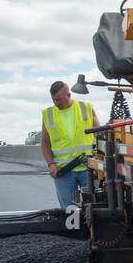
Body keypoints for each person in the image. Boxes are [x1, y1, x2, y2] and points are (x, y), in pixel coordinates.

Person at [40, 80, 97, 209]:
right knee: (70, 210)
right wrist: (50, 164)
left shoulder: (86, 108)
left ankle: (88, 230)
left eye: (59, 99)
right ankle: (75, 230)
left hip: (87, 169)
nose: (56, 103)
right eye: (54, 100)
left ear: (69, 95)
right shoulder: (48, 114)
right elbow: (45, 142)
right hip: (63, 171)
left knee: (92, 207)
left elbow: (99, 136)